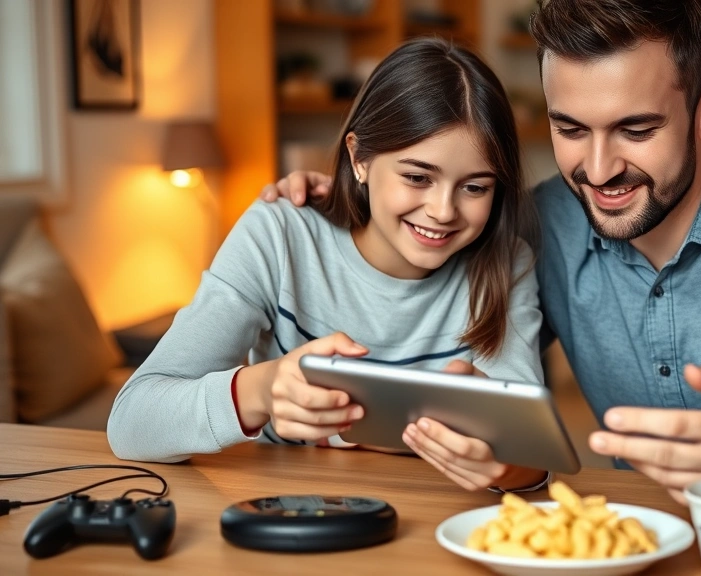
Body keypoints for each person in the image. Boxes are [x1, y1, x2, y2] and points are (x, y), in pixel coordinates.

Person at [262, 0, 701, 504]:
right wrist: (341, 211)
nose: (599, 169)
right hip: (633, 550)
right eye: (570, 129)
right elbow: (410, 305)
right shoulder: (538, 224)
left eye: (636, 130)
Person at [107, 38, 552, 493]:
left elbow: (531, 452)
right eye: (417, 177)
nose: (442, 211)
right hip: (281, 508)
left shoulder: (504, 263)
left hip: (430, 514)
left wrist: (506, 465)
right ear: (359, 158)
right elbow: (132, 422)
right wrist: (260, 390)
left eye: (475, 187)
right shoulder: (280, 235)